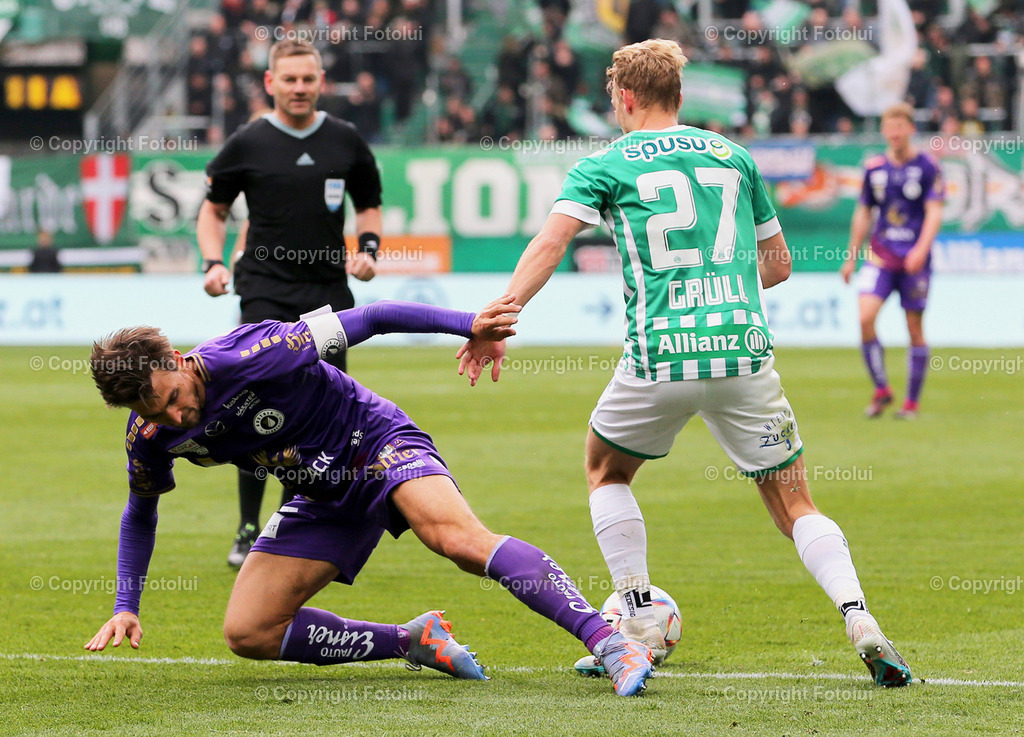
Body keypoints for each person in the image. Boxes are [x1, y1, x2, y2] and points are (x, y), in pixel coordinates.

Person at [458, 39, 911, 687]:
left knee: (605, 468)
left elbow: (551, 242)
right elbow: (779, 265)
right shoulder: (735, 156)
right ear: (680, 95)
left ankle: (637, 619)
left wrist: (499, 314)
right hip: (741, 350)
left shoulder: (605, 164)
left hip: (658, 354)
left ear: (627, 97)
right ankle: (860, 617)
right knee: (793, 500)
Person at [84, 298, 654, 697]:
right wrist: (125, 604)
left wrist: (471, 325)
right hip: (320, 491)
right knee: (249, 633)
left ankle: (610, 643)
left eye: (174, 397)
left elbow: (375, 316)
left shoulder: (254, 350)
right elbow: (141, 513)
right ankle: (412, 639)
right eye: (153, 411)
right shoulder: (152, 435)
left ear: (177, 360)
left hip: (376, 444)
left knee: (454, 540)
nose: (175, 415)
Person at [196, 38, 383, 566]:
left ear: (321, 81)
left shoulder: (346, 141)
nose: (299, 88)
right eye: (290, 79)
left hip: (326, 296)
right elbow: (212, 210)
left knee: (322, 412)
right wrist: (213, 262)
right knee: (253, 405)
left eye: (308, 79)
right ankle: (248, 525)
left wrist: (368, 250)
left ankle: (284, 526)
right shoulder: (247, 143)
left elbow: (369, 205)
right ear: (270, 83)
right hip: (263, 291)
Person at [841, 103, 944, 419]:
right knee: (864, 318)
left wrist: (921, 250)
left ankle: (911, 403)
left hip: (914, 261)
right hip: (881, 256)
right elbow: (864, 212)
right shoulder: (874, 168)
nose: (895, 133)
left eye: (900, 127)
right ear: (885, 131)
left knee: (914, 328)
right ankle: (882, 388)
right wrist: (851, 255)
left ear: (910, 130)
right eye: (890, 127)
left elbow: (935, 211)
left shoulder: (928, 167)